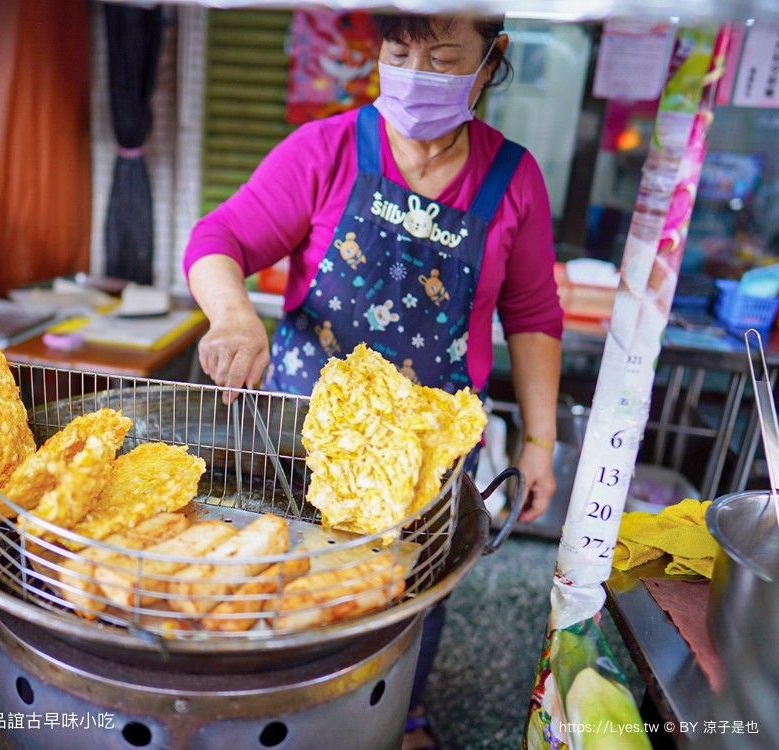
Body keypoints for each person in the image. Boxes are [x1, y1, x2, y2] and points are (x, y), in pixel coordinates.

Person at [184, 13, 562, 749]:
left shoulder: (513, 179)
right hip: (303, 440)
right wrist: (233, 316)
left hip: (426, 457)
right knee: (291, 575)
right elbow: (219, 238)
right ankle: (277, 706)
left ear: (492, 61)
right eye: (400, 53)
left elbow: (533, 314)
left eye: (443, 59)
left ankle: (400, 711)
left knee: (412, 588)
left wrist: (540, 441)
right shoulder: (326, 149)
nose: (417, 76)